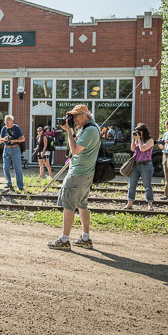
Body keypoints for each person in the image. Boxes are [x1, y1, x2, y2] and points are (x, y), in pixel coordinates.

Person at [47, 105, 100, 251]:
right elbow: (76, 143)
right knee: (82, 205)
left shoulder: (89, 130)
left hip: (78, 174)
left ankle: (64, 239)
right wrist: (70, 130)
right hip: (86, 173)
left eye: (76, 116)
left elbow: (75, 150)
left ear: (85, 115)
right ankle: (85, 238)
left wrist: (69, 131)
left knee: (68, 205)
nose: (74, 119)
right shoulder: (89, 128)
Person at [124, 123, 155, 210]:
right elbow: (133, 149)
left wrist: (139, 140)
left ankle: (150, 204)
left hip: (146, 165)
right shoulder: (138, 140)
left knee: (147, 185)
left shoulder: (150, 141)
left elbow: (143, 149)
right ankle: (129, 203)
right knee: (132, 185)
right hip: (136, 164)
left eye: (139, 131)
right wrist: (134, 140)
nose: (137, 133)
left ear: (143, 132)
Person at [0, 115, 25, 191]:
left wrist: (15, 140)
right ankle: (8, 183)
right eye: (5, 121)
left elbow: (23, 139)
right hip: (6, 149)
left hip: (15, 149)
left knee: (17, 167)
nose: (6, 122)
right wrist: (4, 139)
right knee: (5, 167)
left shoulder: (16, 128)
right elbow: (0, 140)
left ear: (12, 121)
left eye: (8, 121)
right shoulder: (4, 129)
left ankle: (20, 186)